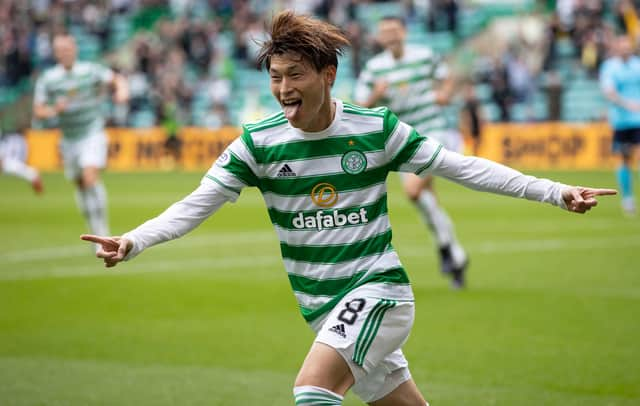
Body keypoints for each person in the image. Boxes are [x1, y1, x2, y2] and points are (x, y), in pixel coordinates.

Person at [82, 11, 615, 406]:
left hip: (379, 292)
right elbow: (196, 204)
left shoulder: (376, 129)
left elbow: (462, 167)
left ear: (328, 73)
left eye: (295, 75)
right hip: (322, 305)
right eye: (275, 76)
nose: (283, 89)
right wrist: (133, 241)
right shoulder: (256, 143)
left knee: (312, 391)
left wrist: (554, 191)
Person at [354, 16, 469, 288]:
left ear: (404, 32)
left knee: (414, 191)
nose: (391, 37)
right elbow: (361, 105)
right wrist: (376, 95)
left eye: (394, 31)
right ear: (380, 38)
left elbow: (448, 76)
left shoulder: (424, 56)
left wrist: (445, 94)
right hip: (402, 138)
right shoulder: (374, 68)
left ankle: (447, 251)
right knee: (426, 200)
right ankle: (454, 255)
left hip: (433, 131)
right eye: (385, 33)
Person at [33, 34, 129, 242]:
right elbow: (38, 111)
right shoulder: (49, 79)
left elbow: (117, 79)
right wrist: (53, 110)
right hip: (69, 139)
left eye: (68, 48)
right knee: (80, 184)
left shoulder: (90, 71)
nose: (65, 53)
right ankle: (94, 230)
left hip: (92, 132)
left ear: (74, 49)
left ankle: (102, 231)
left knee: (90, 176)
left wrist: (121, 92)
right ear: (56, 53)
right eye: (61, 50)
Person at [599, 35, 640, 216]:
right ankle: (628, 198)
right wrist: (627, 104)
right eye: (622, 46)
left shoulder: (637, 65)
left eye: (627, 46)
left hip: (638, 119)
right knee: (625, 159)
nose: (625, 49)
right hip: (622, 120)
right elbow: (609, 92)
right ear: (617, 48)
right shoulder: (609, 67)